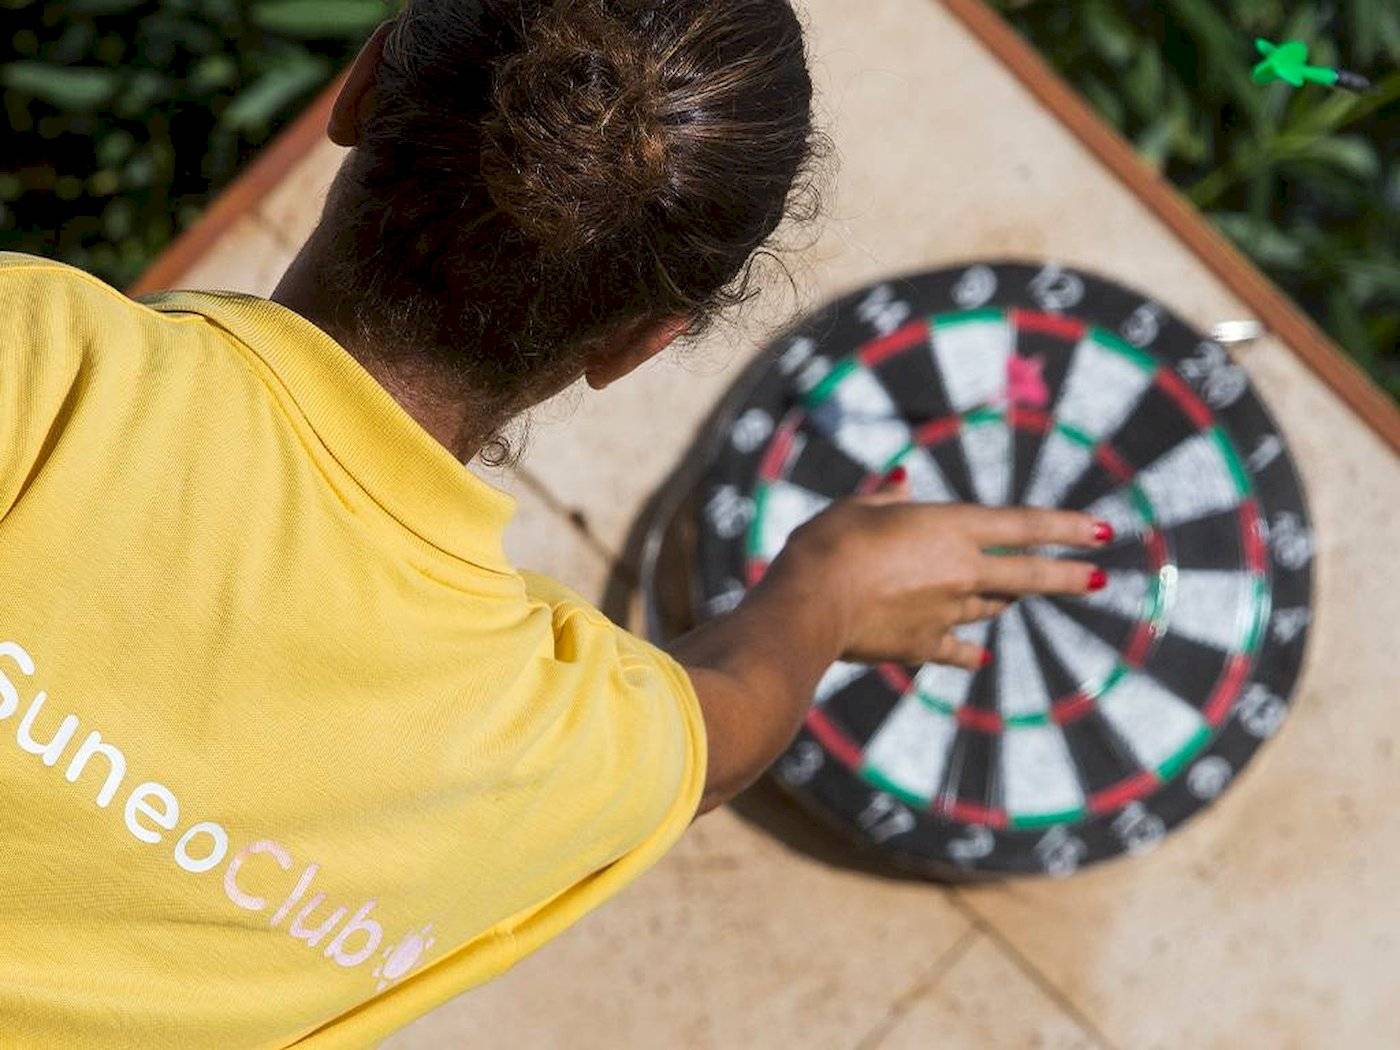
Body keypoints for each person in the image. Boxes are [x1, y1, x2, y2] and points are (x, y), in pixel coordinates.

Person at [0, 0, 1109, 1045]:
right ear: (639, 345)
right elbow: (722, 731)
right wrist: (825, 592)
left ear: (362, 86)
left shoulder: (34, 355)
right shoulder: (555, 745)